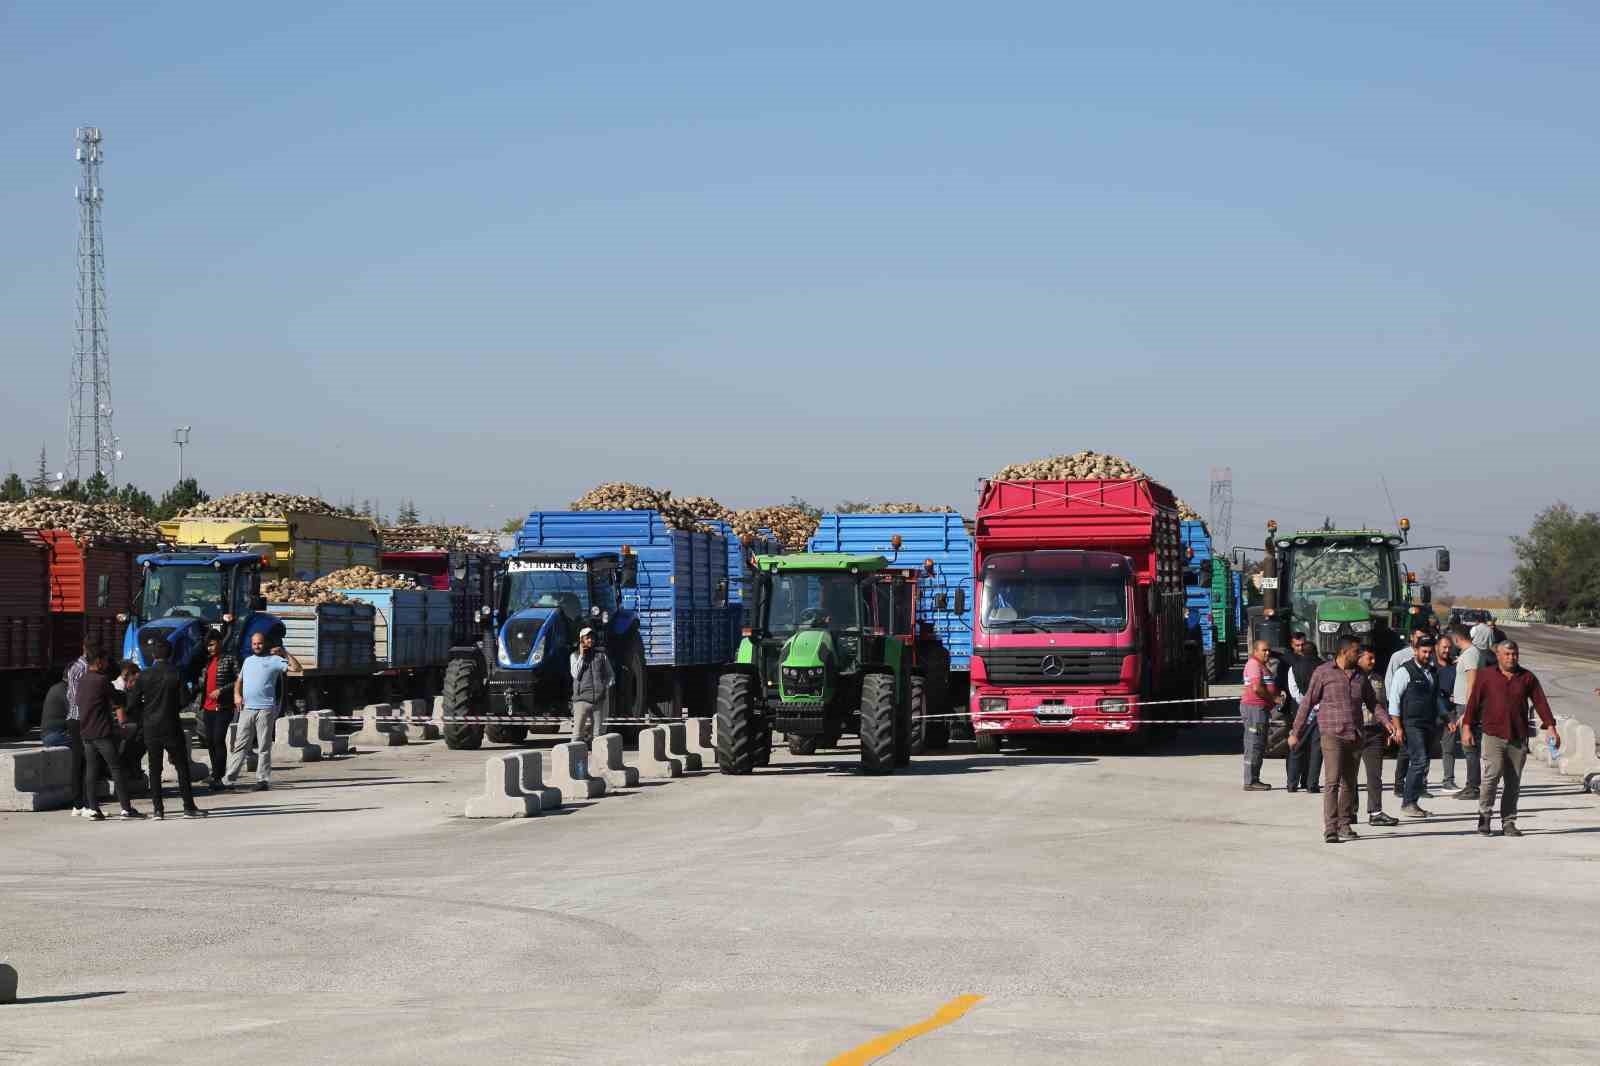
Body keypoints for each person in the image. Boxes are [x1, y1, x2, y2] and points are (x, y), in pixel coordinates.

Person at [1288, 635, 1398, 843]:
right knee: (1332, 781)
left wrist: (1387, 722)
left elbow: (1373, 703)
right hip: (1331, 734)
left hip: (1355, 735)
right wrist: (1296, 732)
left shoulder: (1360, 677)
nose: (1359, 655)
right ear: (1344, 652)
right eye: (1356, 652)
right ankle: (1330, 828)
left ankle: (1344, 824)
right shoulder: (1323, 673)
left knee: (1349, 782)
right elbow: (1307, 703)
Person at [1461, 640, 1559, 837]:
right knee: (1492, 775)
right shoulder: (1486, 676)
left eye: (1514, 654)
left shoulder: (1527, 677)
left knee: (1513, 782)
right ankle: (1485, 816)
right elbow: (1473, 702)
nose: (1511, 658)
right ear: (1498, 655)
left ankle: (1509, 822)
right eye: (1506, 654)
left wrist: (1551, 727)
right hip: (1492, 734)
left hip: (1517, 736)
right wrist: (1466, 727)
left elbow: (1540, 701)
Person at [126, 637, 207, 820]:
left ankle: (158, 810)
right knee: (181, 767)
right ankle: (188, 807)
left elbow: (132, 704)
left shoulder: (144, 675)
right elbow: (184, 701)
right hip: (171, 725)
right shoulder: (176, 673)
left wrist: (145, 715)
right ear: (171, 654)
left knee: (155, 769)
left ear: (153, 654)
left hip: (151, 727)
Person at [222, 632, 302, 792]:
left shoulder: (275, 660)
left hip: (266, 709)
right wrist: (237, 695)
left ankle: (262, 780)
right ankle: (228, 780)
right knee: (240, 745)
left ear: (265, 643)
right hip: (247, 709)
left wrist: (284, 652)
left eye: (259, 643)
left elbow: (297, 668)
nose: (257, 646)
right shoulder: (248, 661)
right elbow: (239, 680)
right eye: (254, 644)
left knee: (264, 746)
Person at [78, 647, 143, 820]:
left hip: (86, 732)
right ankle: (126, 808)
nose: (107, 664)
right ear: (98, 661)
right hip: (101, 731)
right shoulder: (101, 680)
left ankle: (93, 808)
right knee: (116, 768)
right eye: (105, 660)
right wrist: (125, 694)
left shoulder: (82, 679)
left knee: (91, 770)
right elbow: (116, 699)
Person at [1387, 632, 1439, 818]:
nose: (1427, 655)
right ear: (1415, 651)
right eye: (1424, 651)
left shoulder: (1432, 671)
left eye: (1430, 652)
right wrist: (1397, 727)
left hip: (1428, 723)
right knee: (1419, 761)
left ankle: (1413, 802)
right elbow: (1394, 700)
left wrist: (1446, 718)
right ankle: (1408, 802)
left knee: (1421, 764)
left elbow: (1436, 698)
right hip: (1411, 724)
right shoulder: (1405, 671)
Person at [1356, 646, 1400, 827]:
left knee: (1375, 775)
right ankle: (1349, 811)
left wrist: (1387, 728)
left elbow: (1382, 705)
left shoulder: (1378, 679)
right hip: (1355, 731)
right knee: (1349, 775)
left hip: (1374, 731)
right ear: (1359, 659)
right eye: (1369, 658)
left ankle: (1376, 812)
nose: (1373, 662)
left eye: (1374, 658)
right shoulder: (1351, 678)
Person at [196, 630, 240, 790]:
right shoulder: (207, 662)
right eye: (208, 646)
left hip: (223, 706)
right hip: (207, 707)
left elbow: (239, 679)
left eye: (213, 644)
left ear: (220, 642)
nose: (210, 648)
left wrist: (221, 691)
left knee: (218, 740)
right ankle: (215, 774)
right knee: (210, 742)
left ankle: (220, 775)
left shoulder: (230, 659)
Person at [1281, 631, 1323, 793]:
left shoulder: (1294, 668)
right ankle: (1311, 784)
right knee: (1316, 750)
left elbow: (1293, 691)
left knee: (1296, 747)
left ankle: (1292, 784)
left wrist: (1305, 703)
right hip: (1319, 713)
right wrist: (1316, 705)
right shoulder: (1324, 667)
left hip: (1300, 712)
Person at [1448, 624, 1484, 800]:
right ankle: (1471, 785)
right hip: (1462, 705)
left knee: (1470, 747)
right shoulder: (1467, 654)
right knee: (1467, 747)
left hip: (1468, 708)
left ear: (1456, 638)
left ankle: (1473, 787)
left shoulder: (1471, 654)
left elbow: (1472, 683)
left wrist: (1467, 713)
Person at [1240, 639, 1280, 791]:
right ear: (1255, 651)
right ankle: (1250, 781)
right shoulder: (1254, 664)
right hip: (1254, 710)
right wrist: (1273, 698)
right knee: (1254, 744)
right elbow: (1257, 688)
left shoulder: (1261, 665)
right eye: (1264, 650)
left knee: (1259, 744)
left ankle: (1254, 778)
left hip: (1260, 710)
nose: (1267, 653)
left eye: (1268, 650)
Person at [570, 627, 615, 744]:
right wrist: (582, 655)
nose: (590, 640)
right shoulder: (574, 656)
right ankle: (575, 759)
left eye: (592, 638)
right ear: (581, 640)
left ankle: (598, 760)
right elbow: (575, 673)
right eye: (587, 638)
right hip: (581, 701)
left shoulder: (601, 656)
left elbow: (610, 675)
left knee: (598, 736)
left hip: (598, 701)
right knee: (577, 735)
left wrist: (604, 686)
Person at [1434, 637, 1461, 789]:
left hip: (1450, 712)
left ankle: (1448, 780)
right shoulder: (1430, 665)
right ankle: (1422, 782)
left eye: (1449, 648)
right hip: (1432, 712)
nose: (1446, 651)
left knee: (1449, 748)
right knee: (1425, 748)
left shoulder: (1455, 667)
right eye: (1444, 647)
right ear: (1437, 647)